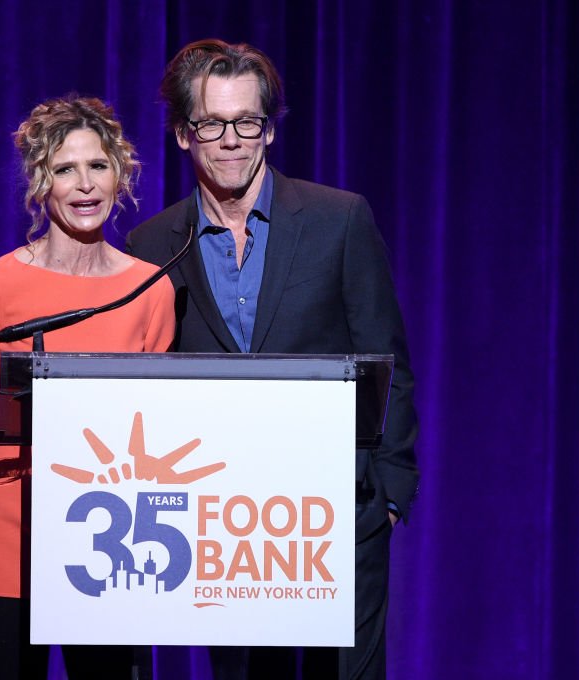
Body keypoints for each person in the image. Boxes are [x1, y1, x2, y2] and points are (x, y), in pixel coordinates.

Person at [126, 39, 418, 680]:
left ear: (268, 130)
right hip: (228, 532)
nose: (231, 140)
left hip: (338, 514)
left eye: (247, 122)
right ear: (183, 135)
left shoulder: (338, 219)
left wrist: (391, 495)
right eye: (211, 124)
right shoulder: (150, 246)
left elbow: (386, 353)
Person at [0, 95, 175, 679]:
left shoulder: (152, 289)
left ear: (119, 175)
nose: (84, 185)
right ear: (40, 182)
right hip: (6, 529)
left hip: (109, 540)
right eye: (64, 169)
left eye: (98, 166)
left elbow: (158, 428)